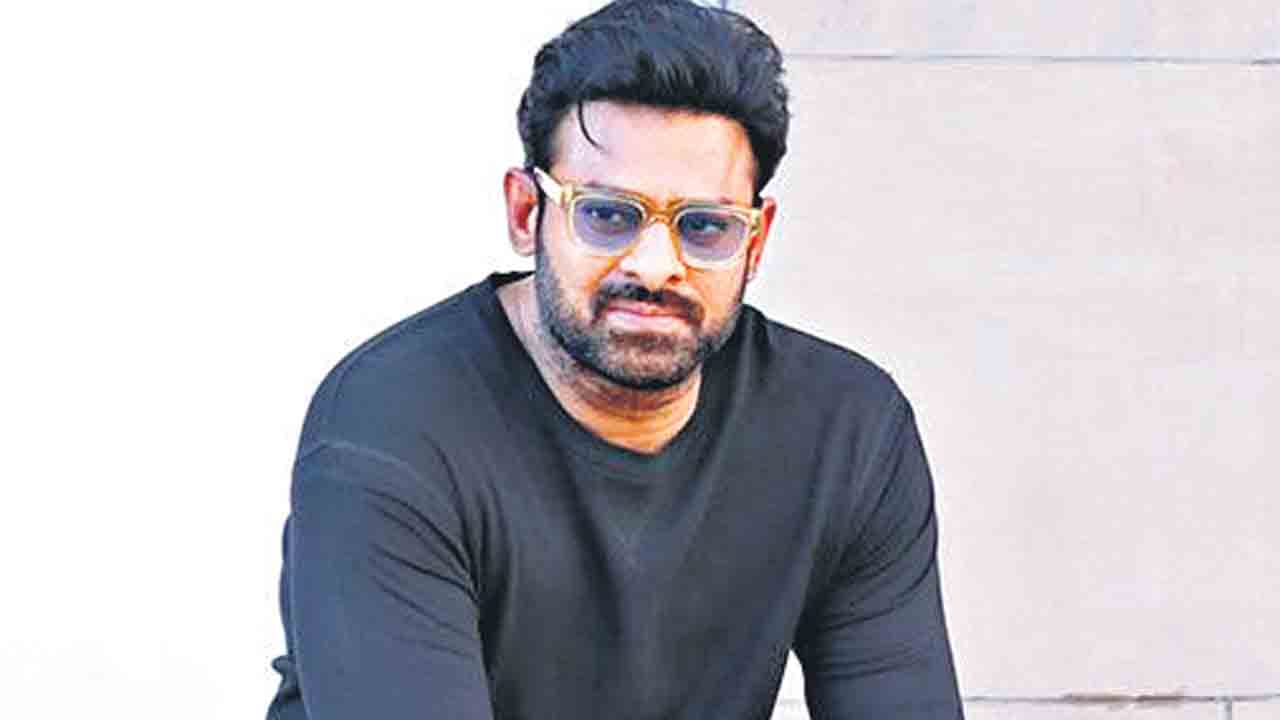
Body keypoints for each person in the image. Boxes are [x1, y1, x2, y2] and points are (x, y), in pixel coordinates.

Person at [265, 1, 963, 718]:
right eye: (606, 214)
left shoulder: (846, 432)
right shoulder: (394, 425)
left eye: (705, 227)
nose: (655, 266)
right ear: (526, 213)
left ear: (754, 244)